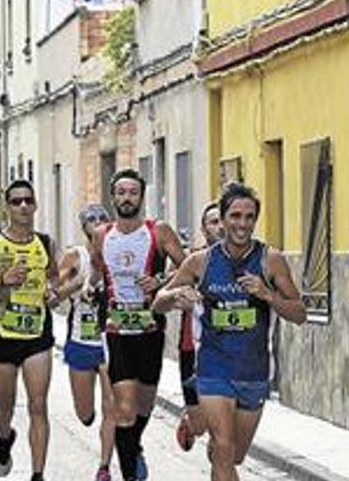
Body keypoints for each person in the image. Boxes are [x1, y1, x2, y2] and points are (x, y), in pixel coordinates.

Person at [151, 183, 306, 481]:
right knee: (223, 446)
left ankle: (203, 434)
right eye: (235, 216)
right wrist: (174, 296)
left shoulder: (270, 260)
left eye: (249, 217)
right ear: (221, 221)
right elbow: (158, 303)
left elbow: (299, 314)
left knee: (233, 455)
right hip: (213, 368)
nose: (242, 224)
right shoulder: (201, 261)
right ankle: (210, 434)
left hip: (254, 371)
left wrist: (268, 295)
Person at [88, 168, 186, 481]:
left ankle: (135, 446)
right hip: (116, 331)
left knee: (143, 406)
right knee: (124, 409)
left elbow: (187, 269)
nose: (126, 198)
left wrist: (158, 281)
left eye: (132, 192)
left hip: (150, 331)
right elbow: (96, 273)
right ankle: (129, 473)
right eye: (121, 192)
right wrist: (91, 288)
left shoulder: (158, 231)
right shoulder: (102, 235)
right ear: (113, 196)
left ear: (142, 196)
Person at [0, 180, 61, 481]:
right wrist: (1, 279)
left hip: (37, 337)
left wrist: (53, 292)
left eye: (28, 201)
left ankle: (37, 474)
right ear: (6, 206)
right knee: (5, 405)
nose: (23, 206)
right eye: (16, 201)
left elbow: (54, 279)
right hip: (3, 336)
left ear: (35, 205)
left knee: (38, 405)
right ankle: (5, 438)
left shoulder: (45, 243)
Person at [56, 204, 115, 481]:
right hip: (81, 340)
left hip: (110, 343)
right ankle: (87, 416)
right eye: (92, 220)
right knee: (85, 413)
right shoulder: (75, 256)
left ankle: (105, 466)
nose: (98, 223)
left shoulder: (120, 256)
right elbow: (52, 295)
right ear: (84, 228)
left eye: (103, 218)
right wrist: (77, 284)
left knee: (111, 407)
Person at [176, 202, 223, 452]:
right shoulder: (194, 261)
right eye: (213, 222)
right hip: (192, 348)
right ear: (204, 230)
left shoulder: (246, 260)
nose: (220, 227)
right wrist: (179, 297)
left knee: (222, 432)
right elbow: (167, 288)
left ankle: (220, 449)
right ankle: (190, 420)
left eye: (221, 220)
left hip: (229, 351)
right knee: (200, 425)